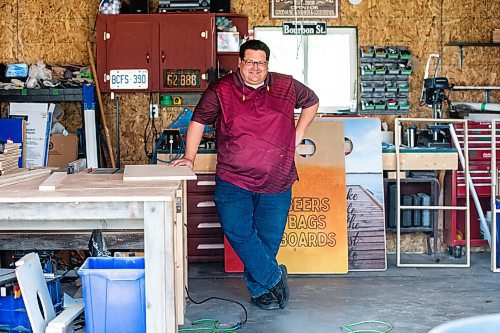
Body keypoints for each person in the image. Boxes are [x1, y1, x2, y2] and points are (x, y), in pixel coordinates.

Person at [171, 39, 319, 310]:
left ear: (267, 64)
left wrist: (298, 134)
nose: (255, 68)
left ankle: (261, 291)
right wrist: (189, 157)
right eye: (250, 61)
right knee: (236, 230)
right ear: (239, 63)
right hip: (233, 178)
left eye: (261, 62)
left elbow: (312, 101)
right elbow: (199, 121)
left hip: (277, 179)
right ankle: (274, 277)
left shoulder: (286, 85)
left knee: (268, 239)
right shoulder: (222, 89)